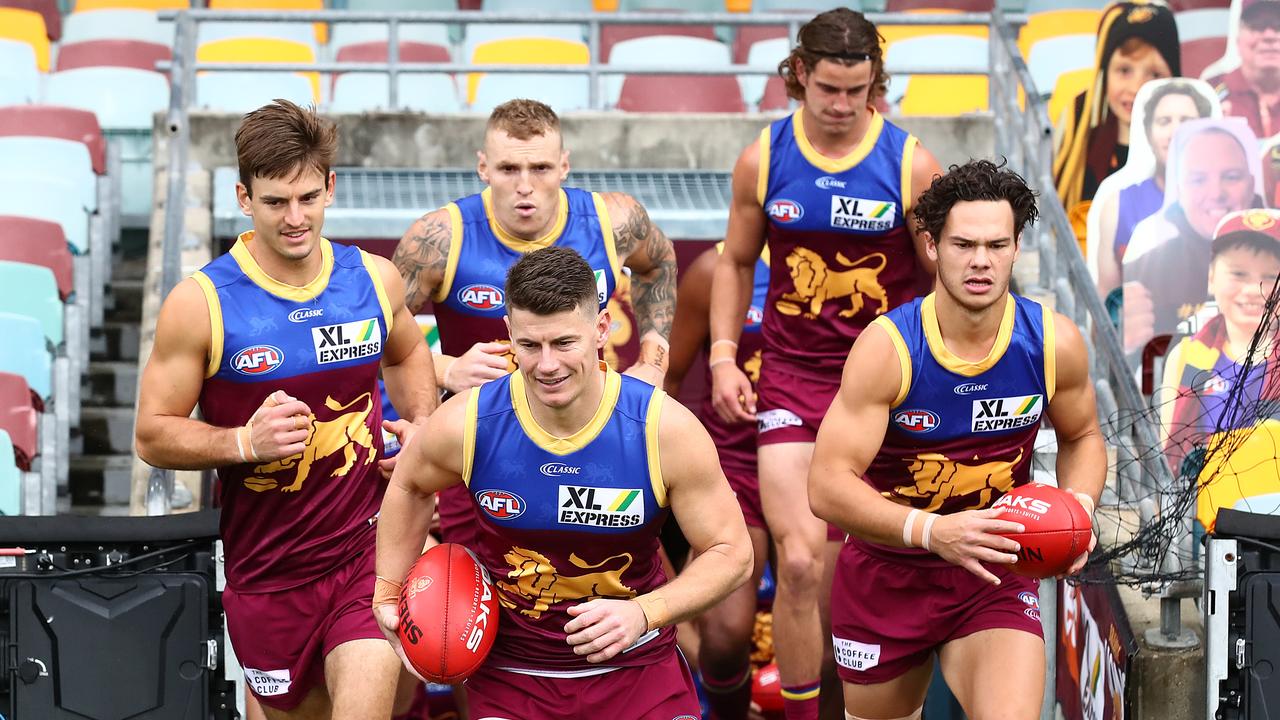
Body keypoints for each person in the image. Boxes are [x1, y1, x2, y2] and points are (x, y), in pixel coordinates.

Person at [134, 100, 438, 719]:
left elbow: (407, 354)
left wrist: (422, 429)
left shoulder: (373, 279)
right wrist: (243, 443)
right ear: (245, 199)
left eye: (307, 197)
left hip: (366, 554)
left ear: (331, 187)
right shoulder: (202, 303)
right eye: (276, 202)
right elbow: (151, 434)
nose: (295, 218)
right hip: (267, 574)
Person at [372, 246, 752, 718]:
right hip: (515, 679)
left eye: (564, 343)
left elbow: (732, 552)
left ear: (601, 330)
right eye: (529, 346)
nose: (547, 365)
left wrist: (644, 612)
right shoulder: (469, 423)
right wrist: (387, 593)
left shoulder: (662, 429)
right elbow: (409, 486)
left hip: (638, 671)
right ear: (509, 332)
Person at [808, 159, 1106, 720]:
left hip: (994, 571)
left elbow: (1084, 435)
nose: (980, 261)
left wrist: (1079, 510)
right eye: (964, 244)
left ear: (1017, 247)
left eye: (996, 244)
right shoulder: (888, 349)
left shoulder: (1053, 343)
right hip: (887, 570)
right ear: (931, 246)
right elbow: (826, 486)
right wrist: (933, 531)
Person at [708, 9, 942, 718]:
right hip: (791, 378)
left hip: (880, 390)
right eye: (829, 90)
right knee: (801, 562)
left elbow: (945, 279)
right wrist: (723, 356)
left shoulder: (908, 162)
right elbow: (737, 261)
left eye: (859, 91)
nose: (843, 107)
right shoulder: (764, 156)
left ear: (876, 83)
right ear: (799, 75)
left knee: (849, 588)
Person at [391, 98, 677, 549]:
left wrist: (655, 358)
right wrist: (446, 369)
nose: (525, 186)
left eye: (541, 168)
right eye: (508, 170)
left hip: (594, 443)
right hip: (482, 450)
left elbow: (658, 265)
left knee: (620, 575)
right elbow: (378, 336)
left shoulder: (613, 221)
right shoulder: (440, 239)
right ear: (483, 167)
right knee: (483, 595)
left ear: (564, 165)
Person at [665, 243, 771, 719]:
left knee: (832, 635)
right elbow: (668, 380)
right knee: (725, 636)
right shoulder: (712, 270)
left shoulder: (859, 256)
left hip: (818, 459)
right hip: (734, 465)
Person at [1160, 208, 1280, 531]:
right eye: (1238, 274)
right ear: (1211, 277)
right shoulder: (1184, 357)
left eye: (1270, 277)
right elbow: (1166, 460)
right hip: (1201, 530)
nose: (1254, 290)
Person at [1123, 118, 1263, 356]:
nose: (1216, 193)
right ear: (1179, 190)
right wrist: (1125, 347)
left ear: (1251, 185)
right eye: (1198, 179)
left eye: (1230, 176)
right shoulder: (1143, 271)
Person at [1053, 1, 1179, 235]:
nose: (1137, 87)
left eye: (1155, 74)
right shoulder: (1083, 145)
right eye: (1124, 70)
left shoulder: (1187, 153)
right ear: (1104, 73)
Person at [1094, 79, 1215, 299]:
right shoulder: (1117, 205)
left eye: (1187, 121)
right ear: (1148, 133)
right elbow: (1106, 305)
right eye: (1164, 121)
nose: (1175, 132)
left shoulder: (1231, 202)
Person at [1209, 0, 1280, 141]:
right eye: (1256, 26)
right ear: (1238, 39)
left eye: (1279, 27)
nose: (1269, 36)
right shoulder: (1210, 93)